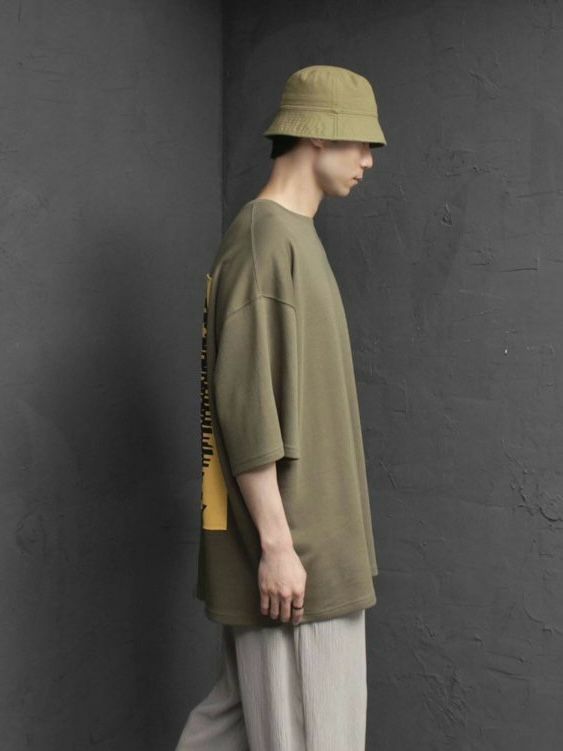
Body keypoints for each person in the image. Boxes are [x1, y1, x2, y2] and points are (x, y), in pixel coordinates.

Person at [175, 64, 388, 751]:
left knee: (226, 731)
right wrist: (277, 547)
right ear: (316, 134)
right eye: (360, 141)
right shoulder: (265, 240)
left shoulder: (289, 236)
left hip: (307, 556)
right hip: (299, 565)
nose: (367, 160)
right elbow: (244, 410)